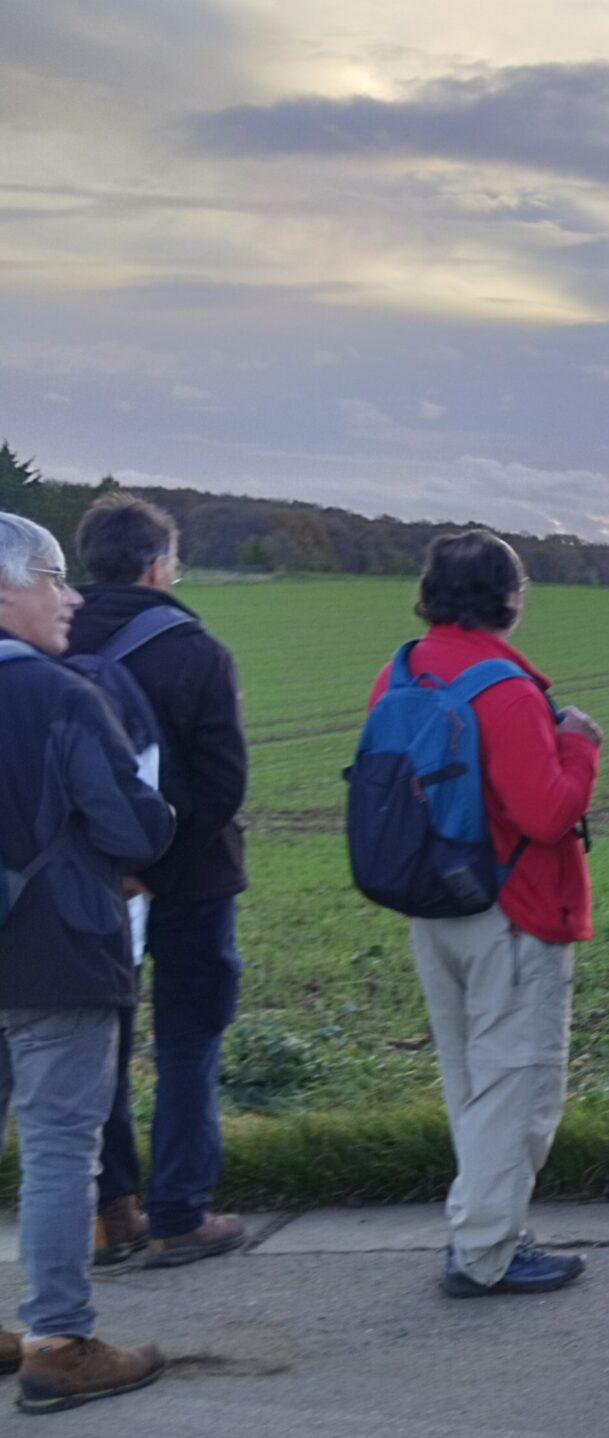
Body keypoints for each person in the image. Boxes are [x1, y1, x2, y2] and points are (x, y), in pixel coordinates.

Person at [369, 529, 600, 1297]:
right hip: (514, 909)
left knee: (469, 1076)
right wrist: (578, 747)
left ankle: (476, 1229)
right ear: (511, 597)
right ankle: (488, 1252)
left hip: (432, 901)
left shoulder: (399, 671)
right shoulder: (503, 687)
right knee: (517, 1084)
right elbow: (546, 813)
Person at [0, 510, 176, 1413]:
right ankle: (61, 1340)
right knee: (61, 1147)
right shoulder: (60, 694)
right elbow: (134, 824)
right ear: (5, 592)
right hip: (58, 950)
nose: (68, 598)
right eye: (50, 579)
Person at [68, 494, 251, 1272]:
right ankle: (180, 1213)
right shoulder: (195, 649)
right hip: (191, 878)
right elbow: (221, 785)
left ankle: (113, 1212)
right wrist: (156, 866)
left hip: (79, 884)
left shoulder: (45, 641)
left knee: (93, 1044)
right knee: (187, 1042)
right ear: (157, 564)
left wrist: (113, 866)